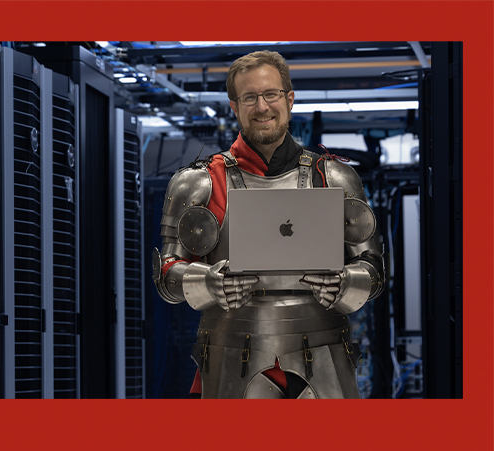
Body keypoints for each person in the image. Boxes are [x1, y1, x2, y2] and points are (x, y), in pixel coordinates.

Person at [152, 50, 385, 399]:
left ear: (289, 100)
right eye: (249, 97)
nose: (262, 107)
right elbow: (166, 274)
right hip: (232, 354)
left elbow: (374, 268)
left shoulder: (333, 177)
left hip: (324, 352)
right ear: (235, 106)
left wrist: (345, 283)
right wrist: (207, 282)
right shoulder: (200, 182)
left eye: (271, 94)